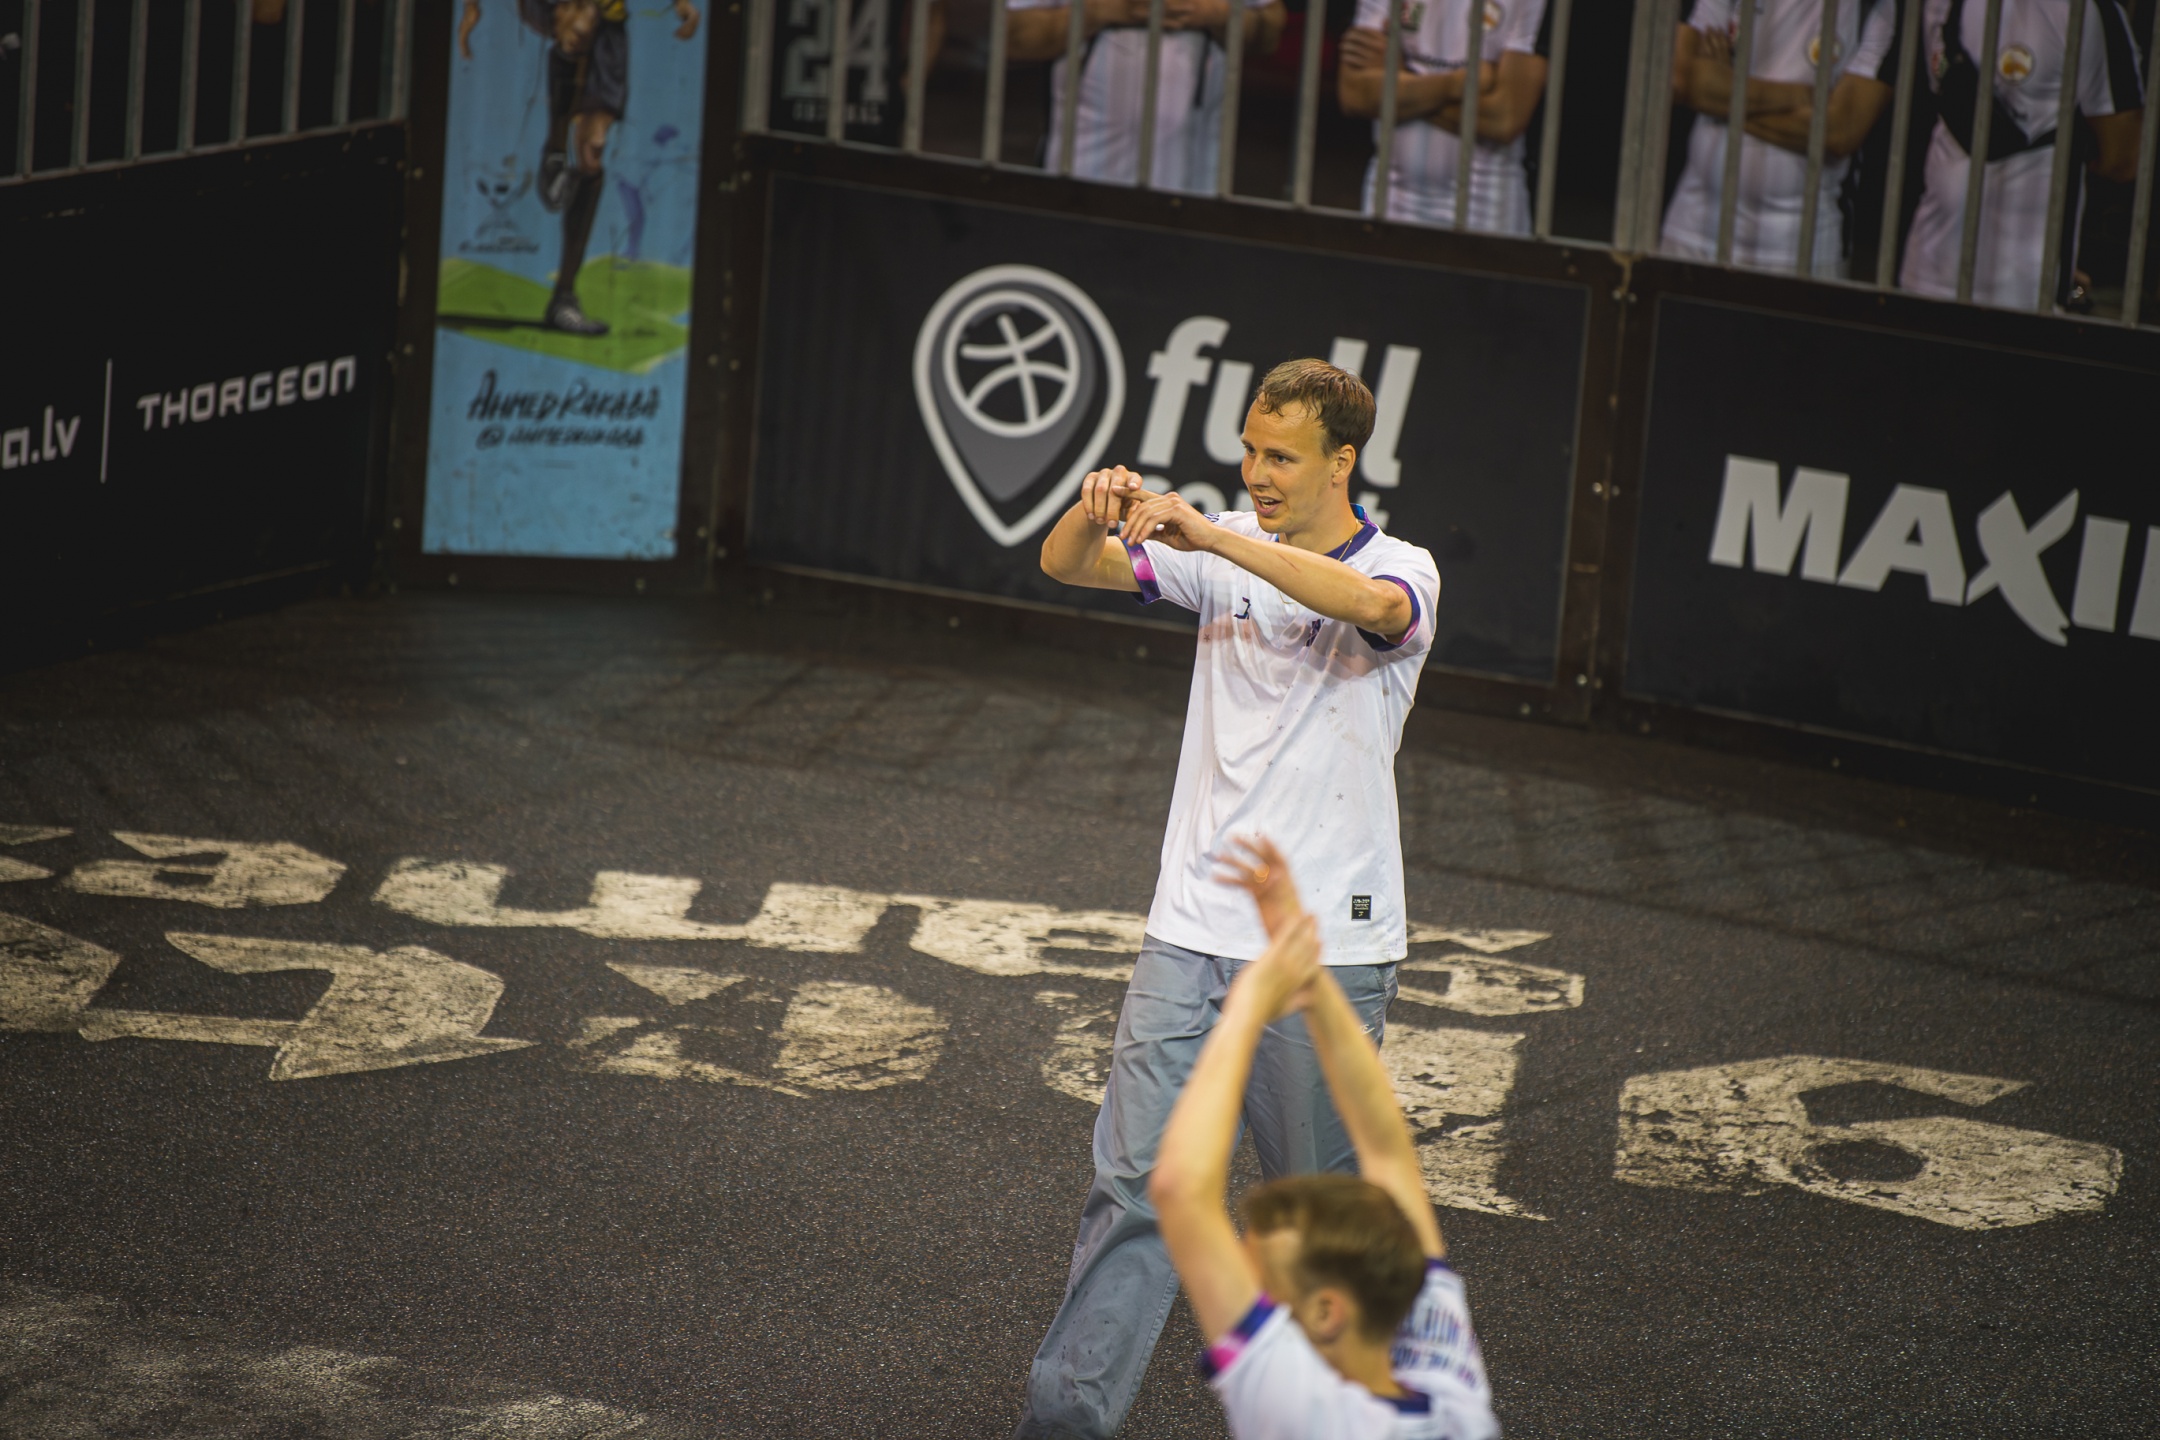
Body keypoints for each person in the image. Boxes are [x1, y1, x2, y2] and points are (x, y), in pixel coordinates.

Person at [1019, 358, 1443, 1439]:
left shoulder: (1402, 568)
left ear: (1343, 463)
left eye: (1281, 457)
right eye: (1250, 450)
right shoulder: (1221, 547)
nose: (1256, 472)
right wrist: (1091, 510)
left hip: (1324, 951)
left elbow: (1370, 608)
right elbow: (1065, 564)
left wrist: (1210, 537)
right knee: (1137, 1185)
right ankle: (1064, 1424)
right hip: (1190, 930)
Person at [1152, 836, 1499, 1438]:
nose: (1249, 1294)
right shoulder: (1446, 1376)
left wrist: (1248, 1005)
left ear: (1326, 1313)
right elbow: (1387, 1153)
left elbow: (1179, 1188)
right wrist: (1312, 985)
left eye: (1264, 1285)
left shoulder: (1306, 1416)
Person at [458, 0, 702, 335]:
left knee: (592, 153)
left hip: (609, 30)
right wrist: (472, 11)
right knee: (580, 24)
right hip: (562, 8)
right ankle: (555, 149)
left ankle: (564, 297)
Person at [1899, 0, 2143, 308]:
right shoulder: (2086, 10)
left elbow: (2123, 157)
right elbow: (2121, 158)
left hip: (1949, 273)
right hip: (2008, 282)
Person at [1660, 0, 1898, 276]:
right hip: (1692, 229)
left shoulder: (1877, 7)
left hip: (1802, 249)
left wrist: (1724, 93)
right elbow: (1683, 79)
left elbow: (1839, 131)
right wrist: (1805, 96)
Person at [1004, 0, 1286, 193]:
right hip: (1081, 180)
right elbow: (1014, 35)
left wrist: (1214, 13)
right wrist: (1102, 10)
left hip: (1195, 187)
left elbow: (1270, 33)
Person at [1338, 0, 1551, 232]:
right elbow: (1354, 95)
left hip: (1486, 207)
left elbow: (1503, 119)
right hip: (1390, 199)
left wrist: (1399, 81)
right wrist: (1456, 84)